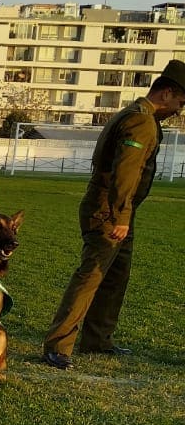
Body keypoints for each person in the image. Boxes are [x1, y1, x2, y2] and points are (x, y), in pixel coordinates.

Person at [42, 60, 185, 368]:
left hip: (117, 209)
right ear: (166, 93)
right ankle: (58, 344)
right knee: (91, 276)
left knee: (116, 277)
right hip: (109, 210)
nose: (179, 110)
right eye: (180, 102)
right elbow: (126, 171)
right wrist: (120, 215)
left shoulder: (135, 114)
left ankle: (97, 339)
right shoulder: (141, 121)